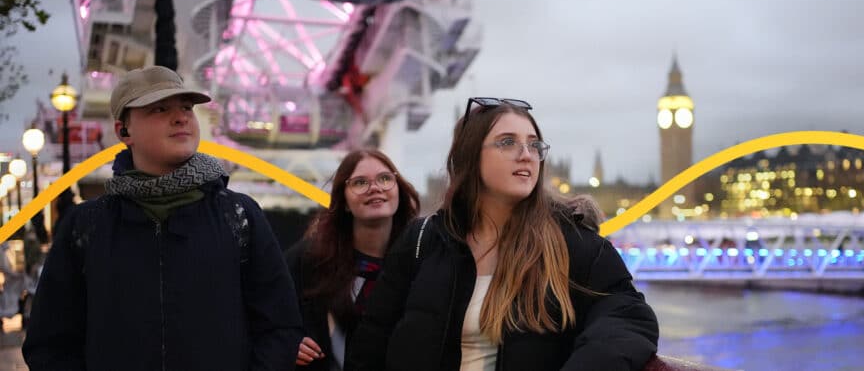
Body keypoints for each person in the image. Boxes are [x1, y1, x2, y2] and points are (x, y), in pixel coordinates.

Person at [22, 66, 304, 371]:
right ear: (123, 131)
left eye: (186, 107)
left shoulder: (240, 216)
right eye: (159, 108)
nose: (181, 117)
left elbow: (280, 327)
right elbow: (49, 344)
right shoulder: (85, 227)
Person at [349, 97, 659, 371]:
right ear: (471, 155)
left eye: (534, 144)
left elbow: (629, 318)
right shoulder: (422, 240)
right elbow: (372, 339)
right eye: (507, 142)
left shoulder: (575, 244)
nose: (526, 154)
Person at [286, 149, 420, 370]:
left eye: (385, 179)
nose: (375, 188)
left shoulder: (420, 259)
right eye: (360, 183)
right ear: (344, 201)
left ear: (398, 189)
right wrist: (287, 341)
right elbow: (264, 311)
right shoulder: (310, 258)